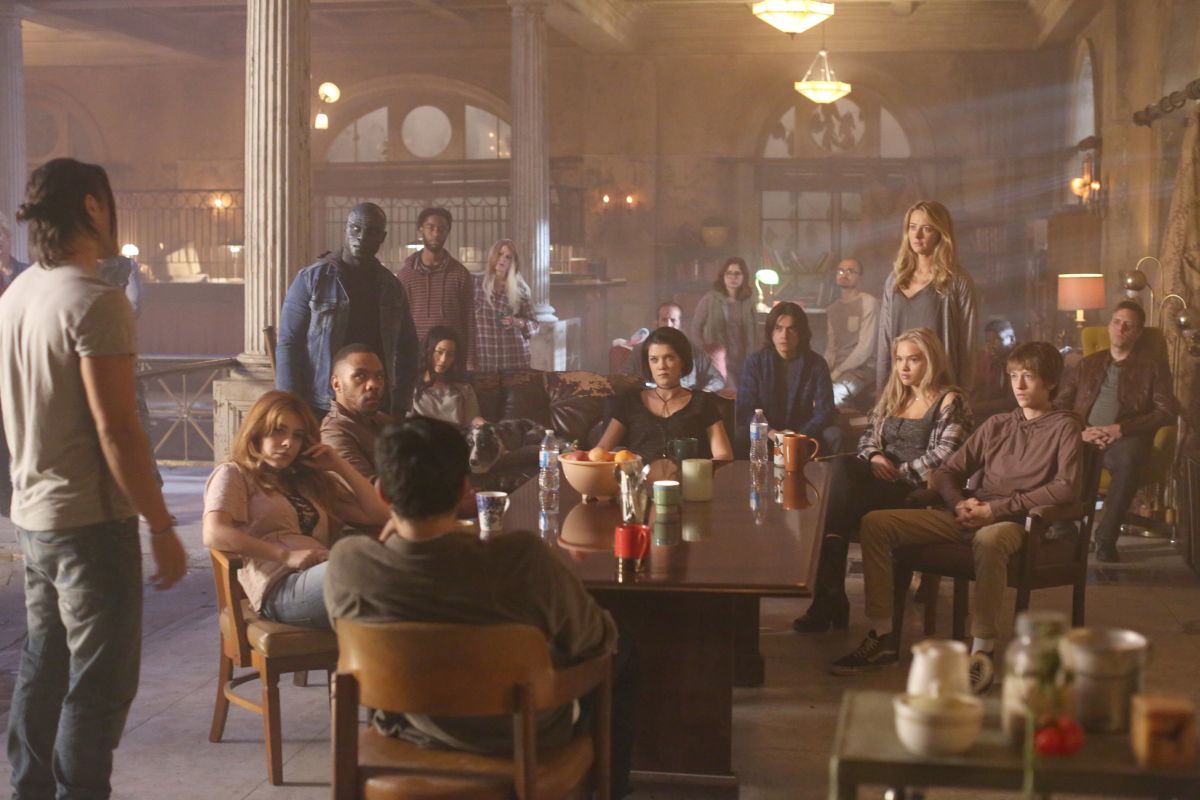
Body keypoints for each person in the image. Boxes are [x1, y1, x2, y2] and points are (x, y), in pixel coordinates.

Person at [323, 416, 637, 798]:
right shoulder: (521, 559)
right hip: (524, 736)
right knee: (622, 649)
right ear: (464, 489)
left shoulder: (349, 564)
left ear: (383, 494)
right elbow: (597, 641)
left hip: (414, 728)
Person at [1, 158, 187, 799]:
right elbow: (118, 430)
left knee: (44, 663)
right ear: (91, 206)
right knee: (99, 682)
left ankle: (27, 789)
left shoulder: (18, 294)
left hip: (36, 517)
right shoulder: (95, 301)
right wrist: (160, 525)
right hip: (90, 522)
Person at [832, 342, 1081, 692]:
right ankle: (882, 635)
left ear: (1051, 382)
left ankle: (982, 651)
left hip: (1016, 522)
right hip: (970, 511)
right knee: (876, 523)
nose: (1019, 385)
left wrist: (995, 510)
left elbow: (1066, 487)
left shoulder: (1065, 427)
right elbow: (949, 470)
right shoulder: (998, 424)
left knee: (989, 538)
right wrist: (959, 503)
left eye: (1028, 376)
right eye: (1013, 376)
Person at [793, 328, 972, 633]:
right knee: (840, 468)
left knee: (832, 511)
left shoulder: (949, 400)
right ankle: (831, 594)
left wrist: (900, 471)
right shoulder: (894, 396)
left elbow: (946, 455)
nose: (904, 367)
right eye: (899, 359)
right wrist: (875, 456)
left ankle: (829, 597)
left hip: (916, 490)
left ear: (931, 361)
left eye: (913, 359)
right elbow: (867, 438)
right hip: (877, 482)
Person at [202, 390, 389, 630]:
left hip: (323, 574)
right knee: (368, 571)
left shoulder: (310, 482)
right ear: (257, 431)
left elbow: (379, 515)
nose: (288, 443)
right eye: (278, 430)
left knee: (402, 577)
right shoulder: (235, 473)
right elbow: (214, 533)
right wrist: (285, 555)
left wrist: (339, 465)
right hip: (280, 587)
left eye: (298, 436)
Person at [1055, 300, 1179, 563]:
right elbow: (1061, 405)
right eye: (1116, 322)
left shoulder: (1152, 366)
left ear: (1138, 332)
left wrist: (1120, 429)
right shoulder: (1087, 364)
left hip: (1126, 438)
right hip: (1086, 433)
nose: (1120, 329)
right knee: (1057, 451)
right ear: (1109, 325)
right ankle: (1064, 532)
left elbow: (1167, 410)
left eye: (1128, 325)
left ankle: (1106, 539)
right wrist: (1080, 432)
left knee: (1129, 461)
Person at [277, 202, 418, 418]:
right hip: (323, 403)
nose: (361, 237)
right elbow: (289, 344)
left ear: (382, 237)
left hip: (376, 404)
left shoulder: (392, 287)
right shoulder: (312, 279)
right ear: (345, 229)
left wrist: (400, 404)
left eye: (371, 231)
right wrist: (291, 405)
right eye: (355, 228)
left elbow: (409, 349)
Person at [876, 200, 979, 394]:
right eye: (912, 227)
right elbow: (885, 340)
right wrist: (882, 391)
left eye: (927, 228)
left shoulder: (957, 281)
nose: (917, 235)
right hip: (900, 387)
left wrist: (962, 395)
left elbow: (968, 345)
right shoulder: (895, 280)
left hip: (940, 388)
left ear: (941, 233)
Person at [597, 326, 734, 462]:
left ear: (682, 361)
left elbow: (724, 455)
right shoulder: (630, 401)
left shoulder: (703, 402)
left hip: (690, 475)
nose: (661, 366)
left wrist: (699, 469)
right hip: (640, 475)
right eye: (654, 359)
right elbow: (601, 450)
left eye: (669, 358)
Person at [736, 301, 842, 456]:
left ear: (801, 333)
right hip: (767, 433)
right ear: (771, 332)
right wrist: (771, 433)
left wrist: (797, 436)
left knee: (835, 435)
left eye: (791, 329)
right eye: (778, 328)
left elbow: (825, 411)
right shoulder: (756, 362)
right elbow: (745, 410)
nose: (784, 335)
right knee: (740, 435)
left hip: (804, 432)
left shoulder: (816, 364)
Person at [398, 207, 476, 367]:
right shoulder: (406, 275)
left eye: (442, 228)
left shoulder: (460, 274)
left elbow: (469, 319)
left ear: (447, 232)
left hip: (451, 359)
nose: (436, 233)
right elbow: (399, 321)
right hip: (416, 357)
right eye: (430, 227)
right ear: (420, 229)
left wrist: (470, 361)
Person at [320, 344, 393, 483]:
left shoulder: (383, 420)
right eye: (360, 376)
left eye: (379, 376)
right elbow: (369, 489)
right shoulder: (334, 433)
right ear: (336, 384)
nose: (374, 384)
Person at [621, 301, 726, 392]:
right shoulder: (640, 350)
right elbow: (623, 377)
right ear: (656, 323)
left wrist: (705, 392)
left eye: (673, 320)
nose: (668, 324)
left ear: (680, 324)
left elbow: (718, 379)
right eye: (664, 320)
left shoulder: (693, 351)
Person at [691, 256, 756, 389]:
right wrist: (705, 353)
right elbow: (695, 329)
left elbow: (753, 334)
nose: (733, 277)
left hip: (742, 361)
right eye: (729, 273)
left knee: (743, 394)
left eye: (737, 273)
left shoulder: (748, 302)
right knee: (730, 393)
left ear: (743, 276)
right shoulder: (710, 299)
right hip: (717, 361)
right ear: (723, 276)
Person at [473, 238, 538, 371]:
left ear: (513, 263)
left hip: (514, 359)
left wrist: (517, 322)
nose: (502, 259)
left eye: (508, 257)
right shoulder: (475, 283)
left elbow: (535, 326)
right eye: (500, 254)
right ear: (493, 256)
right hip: (484, 360)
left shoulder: (521, 289)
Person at [824, 258, 878, 410]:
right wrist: (821, 370)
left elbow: (865, 348)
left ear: (860, 277)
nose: (844, 274)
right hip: (838, 369)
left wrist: (837, 373)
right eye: (841, 270)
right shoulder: (833, 309)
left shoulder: (868, 302)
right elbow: (831, 349)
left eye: (850, 271)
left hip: (862, 370)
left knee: (832, 396)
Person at [410, 324, 484, 428]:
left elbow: (473, 420)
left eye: (450, 354)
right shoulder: (411, 388)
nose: (443, 359)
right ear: (428, 351)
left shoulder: (464, 388)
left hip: (458, 436)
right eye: (439, 352)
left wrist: (483, 424)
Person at [972, 319, 1018, 419]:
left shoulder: (1021, 362)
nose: (989, 346)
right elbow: (979, 388)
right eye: (987, 342)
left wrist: (977, 407)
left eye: (994, 341)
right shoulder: (991, 360)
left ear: (1011, 339)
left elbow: (1014, 401)